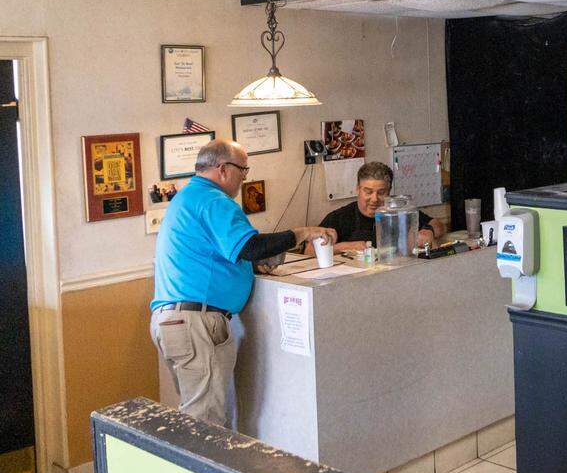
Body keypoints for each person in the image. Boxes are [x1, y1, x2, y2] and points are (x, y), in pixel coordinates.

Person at [151, 140, 335, 426]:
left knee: (196, 415)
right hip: (196, 322)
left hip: (175, 320)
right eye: (243, 169)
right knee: (205, 421)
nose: (245, 177)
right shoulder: (214, 201)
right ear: (223, 169)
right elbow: (249, 246)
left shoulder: (189, 197)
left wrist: (249, 267)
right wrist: (301, 233)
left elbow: (220, 254)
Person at [314, 161, 445, 253]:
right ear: (357, 189)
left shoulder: (400, 212)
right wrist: (343, 247)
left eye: (381, 193)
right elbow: (308, 250)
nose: (374, 199)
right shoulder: (340, 217)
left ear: (389, 192)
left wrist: (428, 230)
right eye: (368, 192)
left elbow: (439, 225)